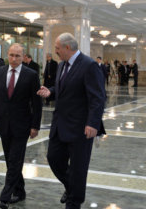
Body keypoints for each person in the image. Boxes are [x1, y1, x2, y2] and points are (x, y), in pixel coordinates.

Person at [37, 33, 105, 209]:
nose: (55, 51)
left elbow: (98, 98)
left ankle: (74, 202)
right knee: (53, 159)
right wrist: (50, 91)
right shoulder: (61, 65)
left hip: (81, 128)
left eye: (57, 48)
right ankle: (71, 187)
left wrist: (93, 123)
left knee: (78, 169)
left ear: (67, 47)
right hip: (60, 125)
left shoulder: (89, 65)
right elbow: (65, 88)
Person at [0, 43, 42, 209]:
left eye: (18, 56)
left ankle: (5, 197)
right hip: (4, 124)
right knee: (11, 160)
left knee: (15, 160)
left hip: (23, 125)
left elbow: (37, 103)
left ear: (23, 57)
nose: (14, 59)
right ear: (7, 55)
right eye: (11, 55)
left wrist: (35, 126)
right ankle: (20, 191)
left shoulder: (31, 75)